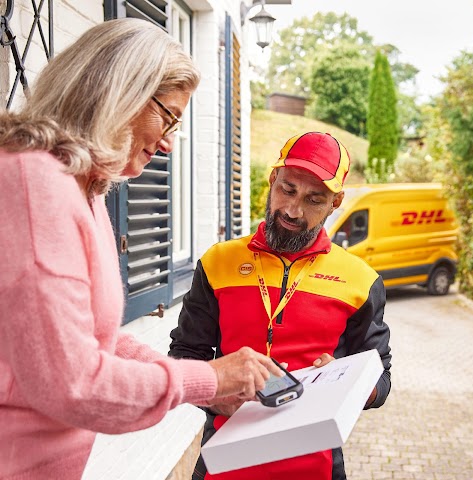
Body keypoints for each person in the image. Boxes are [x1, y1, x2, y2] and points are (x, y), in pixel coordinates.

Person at [0, 18, 283, 480]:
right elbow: (73, 383)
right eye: (168, 116)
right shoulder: (36, 186)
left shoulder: (82, 190)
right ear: (119, 92)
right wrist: (211, 379)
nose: (170, 143)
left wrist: (205, 385)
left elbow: (99, 339)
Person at [169, 132, 392, 480]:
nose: (293, 210)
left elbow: (381, 375)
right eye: (287, 190)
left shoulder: (361, 280)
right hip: (224, 460)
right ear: (273, 179)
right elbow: (185, 354)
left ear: (335, 203)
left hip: (315, 466)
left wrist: (349, 385)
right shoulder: (218, 262)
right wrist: (215, 393)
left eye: (314, 200)